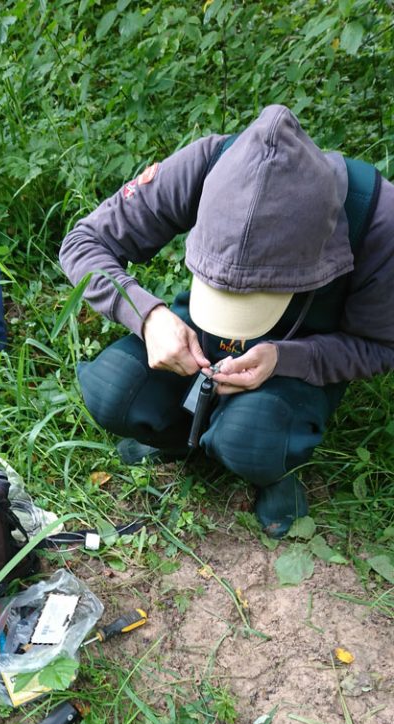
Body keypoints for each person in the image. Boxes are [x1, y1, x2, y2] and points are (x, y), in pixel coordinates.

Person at [59, 104, 394, 537]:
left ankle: (272, 472)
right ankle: (178, 437)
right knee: (113, 390)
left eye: (254, 295)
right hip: (197, 331)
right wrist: (148, 317)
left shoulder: (379, 218)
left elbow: (381, 346)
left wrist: (284, 359)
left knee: (251, 438)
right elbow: (84, 242)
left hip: (301, 354)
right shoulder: (206, 164)